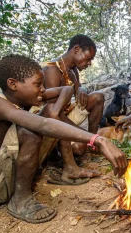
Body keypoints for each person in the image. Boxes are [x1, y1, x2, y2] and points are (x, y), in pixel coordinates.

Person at [0, 54, 127, 223]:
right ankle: (21, 201)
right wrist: (99, 140)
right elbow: (43, 125)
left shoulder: (23, 98)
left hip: (8, 174)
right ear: (13, 84)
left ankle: (70, 169)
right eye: (37, 84)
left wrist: (55, 112)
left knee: (50, 110)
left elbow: (67, 89)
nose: (42, 89)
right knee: (30, 130)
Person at [42, 34, 104, 165]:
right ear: (76, 49)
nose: (89, 63)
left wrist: (83, 89)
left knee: (98, 97)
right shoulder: (52, 69)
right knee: (78, 148)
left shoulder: (73, 70)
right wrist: (85, 136)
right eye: (88, 58)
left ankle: (92, 145)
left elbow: (78, 91)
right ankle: (89, 141)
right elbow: (53, 114)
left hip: (67, 115)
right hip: (53, 122)